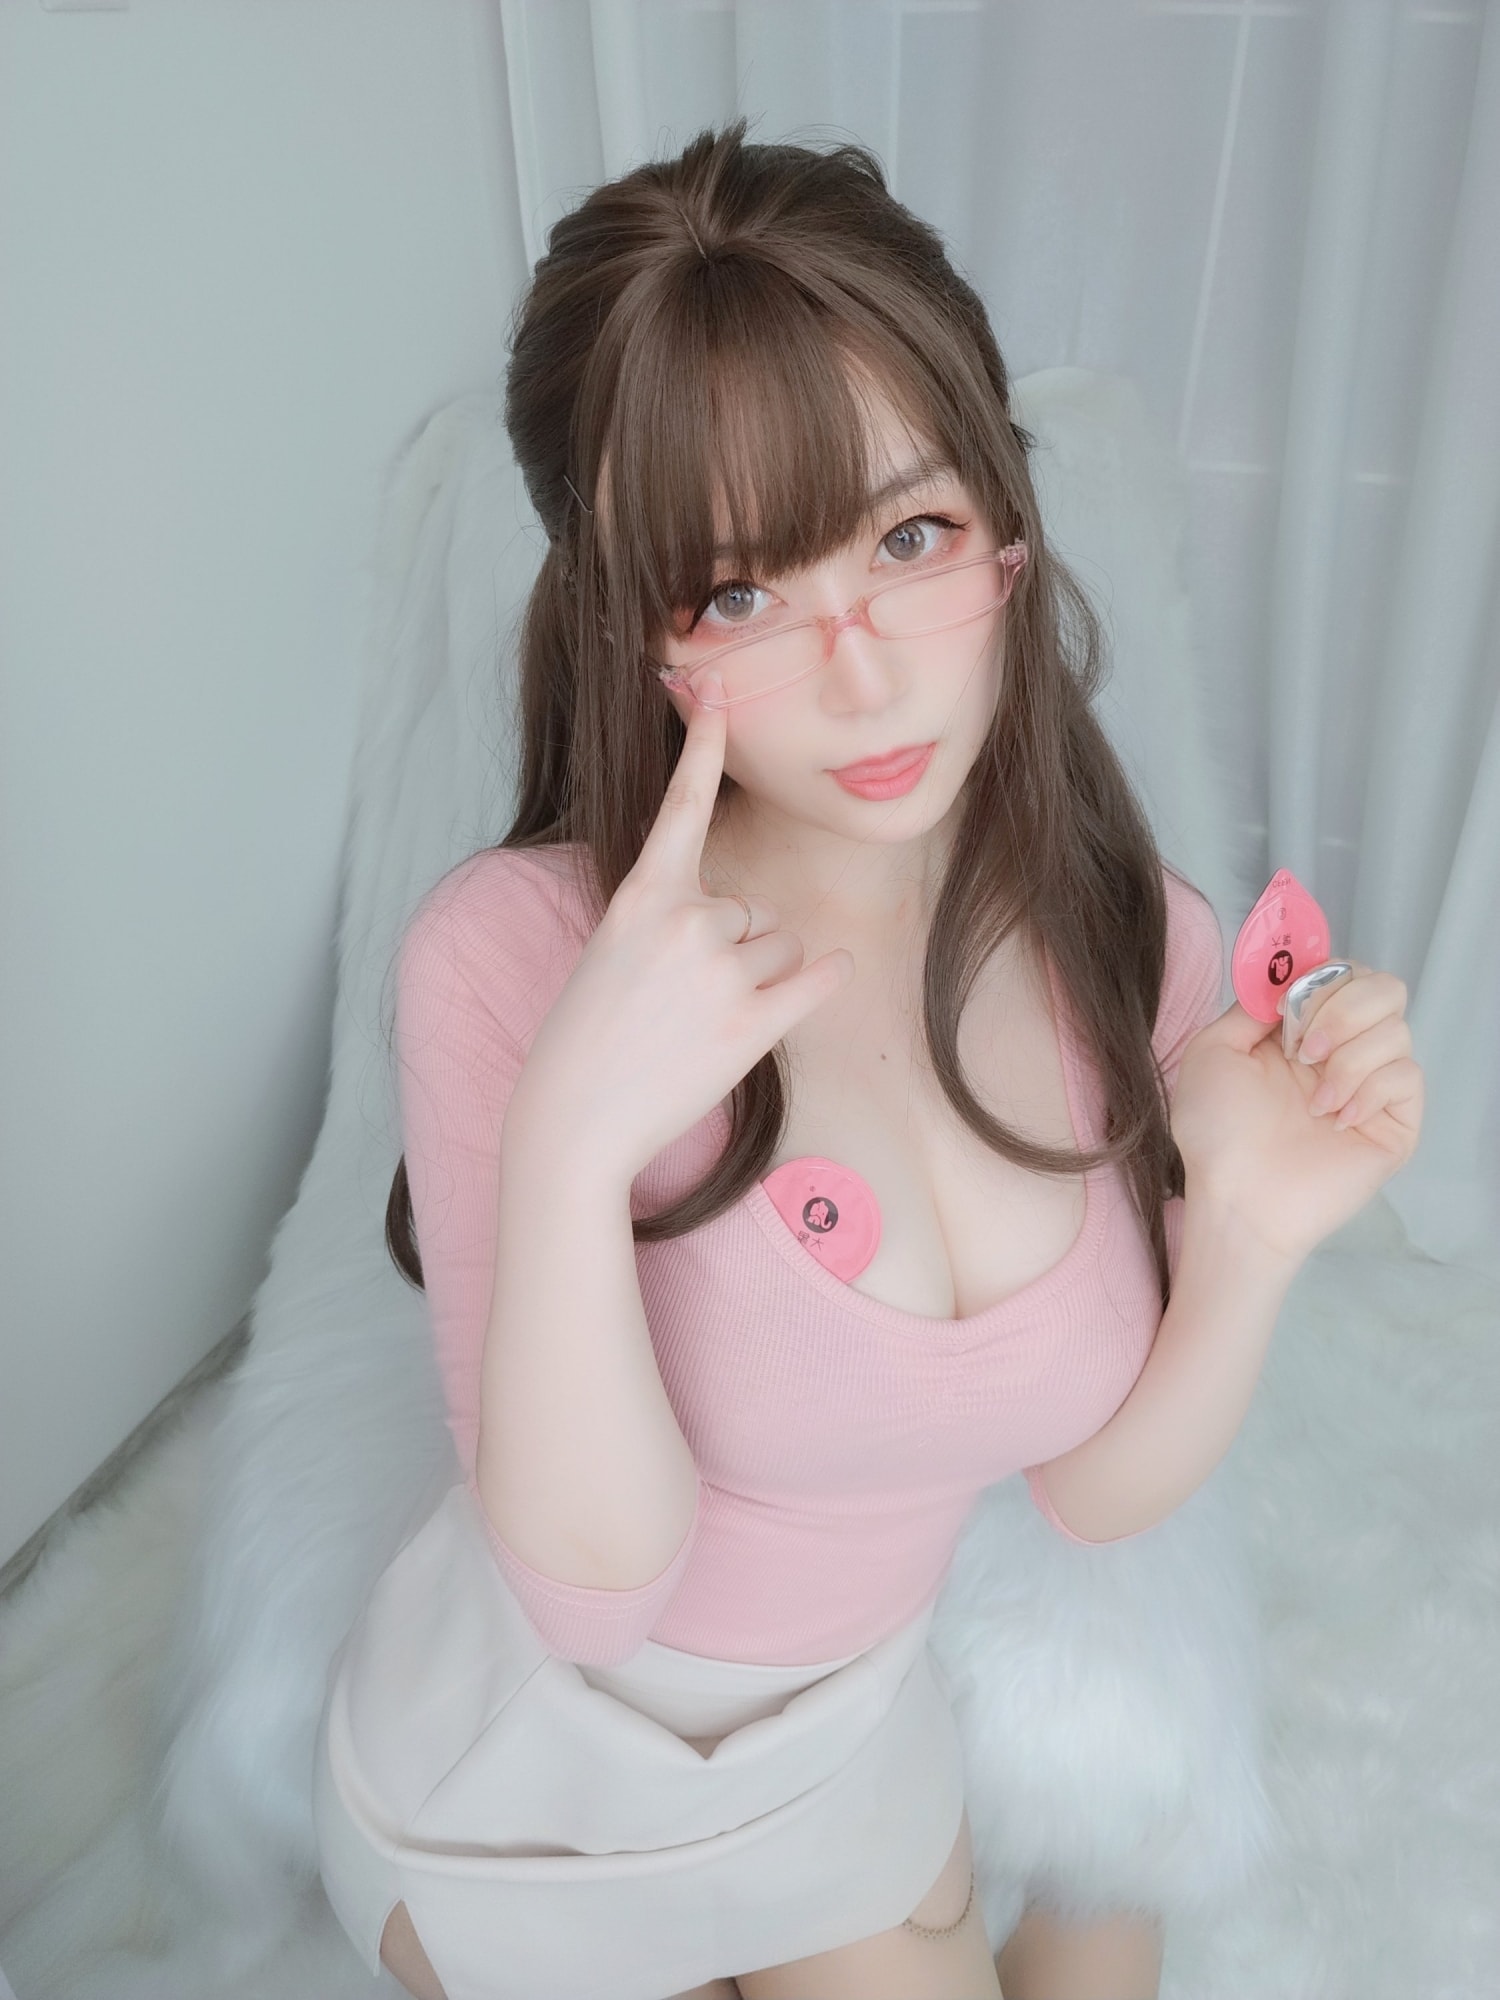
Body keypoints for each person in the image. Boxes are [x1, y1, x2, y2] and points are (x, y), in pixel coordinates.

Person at [311, 119, 1423, 2000]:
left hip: (841, 1747)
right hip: (523, 1768)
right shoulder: (515, 955)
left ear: (1006, 523)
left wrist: (1247, 1229)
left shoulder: (1121, 931)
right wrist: (574, 1135)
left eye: (912, 539)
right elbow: (590, 1594)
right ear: (630, 627)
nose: (866, 671)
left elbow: (1088, 1491)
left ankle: (1090, 1899)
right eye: (737, 592)